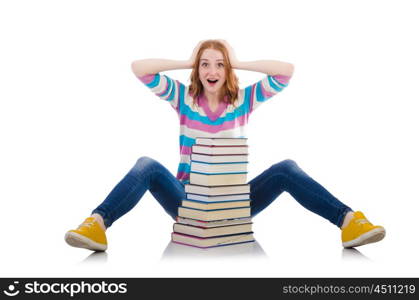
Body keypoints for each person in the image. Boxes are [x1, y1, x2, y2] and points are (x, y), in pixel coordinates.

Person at [65, 39, 385, 252]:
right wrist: (187, 58)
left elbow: (285, 72)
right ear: (197, 70)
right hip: (187, 203)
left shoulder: (244, 101)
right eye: (205, 64)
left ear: (227, 70)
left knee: (286, 169)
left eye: (219, 64)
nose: (212, 70)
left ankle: (349, 222)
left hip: (233, 206)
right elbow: (140, 68)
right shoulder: (183, 98)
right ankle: (96, 224)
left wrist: (238, 60)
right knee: (146, 165)